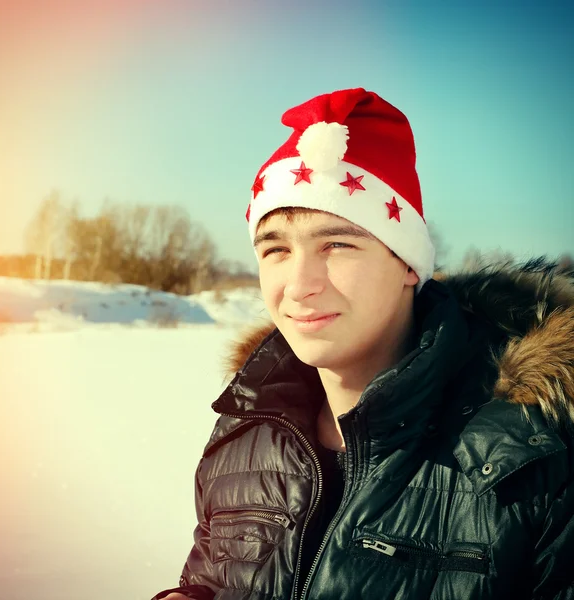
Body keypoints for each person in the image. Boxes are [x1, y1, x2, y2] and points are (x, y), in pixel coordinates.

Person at [151, 88, 574, 600]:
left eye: (337, 244)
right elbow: (210, 579)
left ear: (407, 264)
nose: (300, 283)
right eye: (276, 249)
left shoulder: (529, 456)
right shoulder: (248, 429)